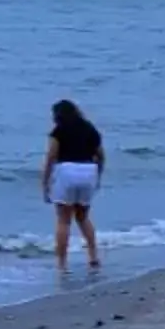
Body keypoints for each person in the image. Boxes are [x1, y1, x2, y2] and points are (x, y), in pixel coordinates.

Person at [42, 98, 104, 277]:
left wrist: (45, 183)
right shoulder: (90, 128)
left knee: (63, 219)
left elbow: (51, 156)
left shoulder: (58, 131)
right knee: (83, 217)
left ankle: (62, 264)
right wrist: (97, 176)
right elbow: (100, 155)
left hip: (66, 170)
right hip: (88, 169)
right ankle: (93, 257)